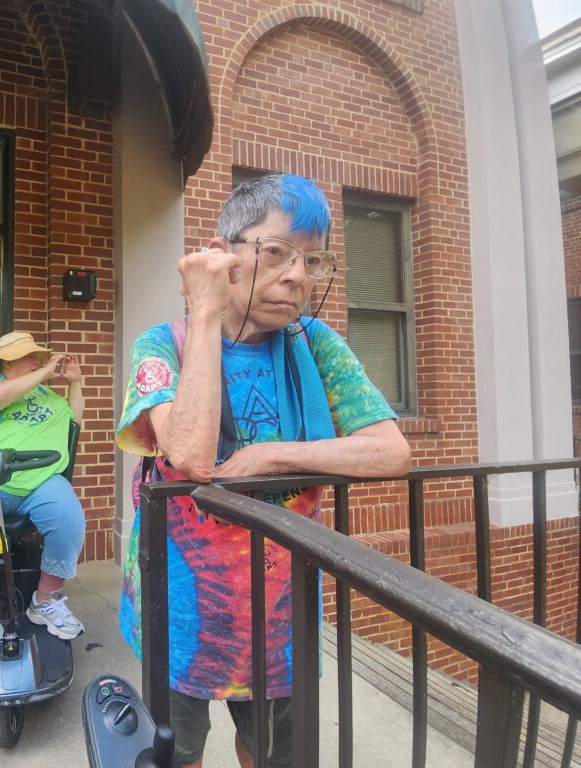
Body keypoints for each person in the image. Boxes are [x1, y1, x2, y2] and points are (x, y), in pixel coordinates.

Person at [116, 173, 412, 768]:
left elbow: (391, 451)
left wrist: (274, 455)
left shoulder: (317, 345)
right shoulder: (162, 345)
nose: (298, 276)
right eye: (277, 252)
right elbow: (191, 456)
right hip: (182, 614)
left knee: (275, 757)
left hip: (281, 619)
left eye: (314, 261)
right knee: (178, 755)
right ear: (223, 254)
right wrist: (205, 310)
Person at [0, 331, 86, 652]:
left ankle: (44, 599)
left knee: (68, 516)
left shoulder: (45, 394)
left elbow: (74, 419)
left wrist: (74, 383)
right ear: (9, 361)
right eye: (31, 357)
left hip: (41, 481)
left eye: (38, 358)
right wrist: (44, 372)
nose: (37, 361)